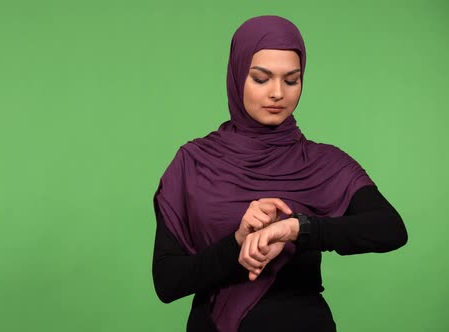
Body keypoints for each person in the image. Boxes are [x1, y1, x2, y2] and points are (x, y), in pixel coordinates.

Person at [152, 15, 407, 332]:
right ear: (236, 75)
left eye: (291, 80)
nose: (277, 93)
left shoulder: (323, 163)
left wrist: (297, 228)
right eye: (261, 79)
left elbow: (391, 229)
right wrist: (237, 243)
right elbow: (167, 281)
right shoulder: (194, 162)